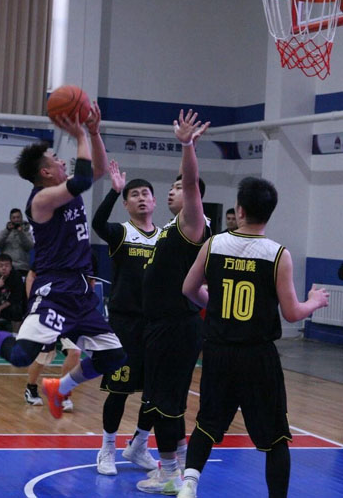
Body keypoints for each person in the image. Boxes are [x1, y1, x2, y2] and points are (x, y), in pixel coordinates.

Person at [0, 103, 127, 420]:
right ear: (46, 172)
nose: (62, 160)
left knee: (114, 356)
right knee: (23, 355)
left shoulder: (65, 188)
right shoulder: (42, 200)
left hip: (80, 290)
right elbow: (84, 179)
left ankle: (60, 387)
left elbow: (99, 170)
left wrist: (93, 132)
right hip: (56, 287)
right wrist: (79, 134)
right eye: (56, 158)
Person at [178, 177, 329, 498]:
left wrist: (213, 304)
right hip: (257, 356)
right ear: (269, 213)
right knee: (275, 438)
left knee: (207, 423)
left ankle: (188, 484)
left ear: (240, 210)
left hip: (217, 351)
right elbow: (292, 313)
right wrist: (315, 302)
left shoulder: (213, 244)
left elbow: (189, 289)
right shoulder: (278, 255)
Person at [136, 110, 211, 495]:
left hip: (173, 327)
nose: (172, 191)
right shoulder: (172, 227)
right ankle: (178, 465)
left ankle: (168, 474)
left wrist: (186, 147)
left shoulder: (193, 223)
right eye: (172, 186)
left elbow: (193, 183)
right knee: (168, 401)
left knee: (163, 402)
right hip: (165, 326)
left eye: (179, 188)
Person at [91, 160, 160, 475]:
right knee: (118, 390)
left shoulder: (165, 238)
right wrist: (113, 190)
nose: (141, 198)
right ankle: (107, 448)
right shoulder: (121, 233)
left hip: (156, 325)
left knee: (155, 393)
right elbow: (98, 223)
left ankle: (139, 444)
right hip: (124, 324)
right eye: (134, 195)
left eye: (146, 194)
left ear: (154, 201)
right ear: (126, 204)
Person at [22, 269, 80, 412]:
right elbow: (31, 275)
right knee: (43, 355)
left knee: (75, 351)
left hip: (71, 311)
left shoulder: (86, 259)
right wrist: (32, 300)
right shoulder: (50, 257)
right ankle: (31, 387)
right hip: (47, 309)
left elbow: (90, 282)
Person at [0, 208, 34, 275]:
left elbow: (30, 246)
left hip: (22, 267)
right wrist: (7, 230)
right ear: (10, 219)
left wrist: (21, 233)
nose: (16, 220)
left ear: (21, 218)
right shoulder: (5, 232)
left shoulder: (27, 232)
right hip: (6, 267)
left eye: (18, 217)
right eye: (14, 218)